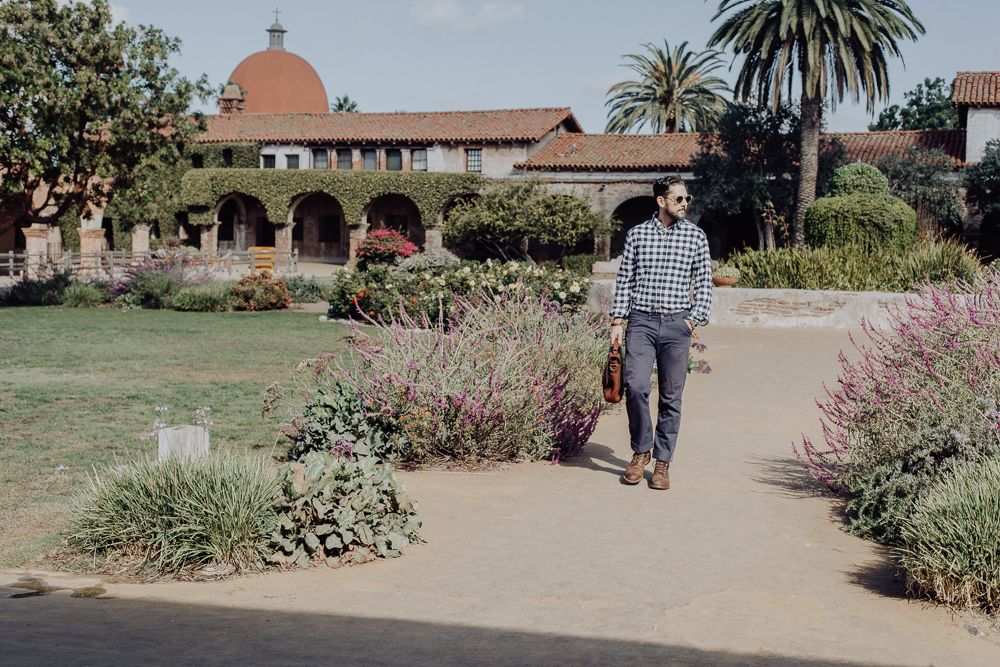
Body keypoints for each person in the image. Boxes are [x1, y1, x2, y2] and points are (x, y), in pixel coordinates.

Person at [609, 175, 712, 489]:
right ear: (661, 201)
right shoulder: (637, 235)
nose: (684, 204)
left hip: (677, 324)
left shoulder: (696, 236)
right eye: (679, 199)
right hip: (641, 321)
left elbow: (705, 282)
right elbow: (625, 280)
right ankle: (641, 451)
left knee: (671, 396)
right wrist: (617, 321)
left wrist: (692, 320)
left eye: (686, 199)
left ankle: (663, 462)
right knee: (636, 385)